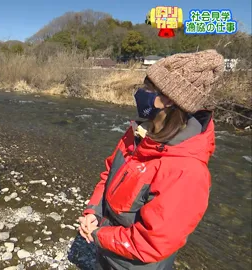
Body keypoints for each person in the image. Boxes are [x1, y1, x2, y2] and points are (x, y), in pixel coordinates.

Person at [78, 49, 224, 270]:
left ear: (168, 100)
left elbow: (151, 243)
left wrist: (98, 234)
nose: (140, 92)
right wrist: (93, 212)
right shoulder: (139, 132)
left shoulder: (187, 172)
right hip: (108, 248)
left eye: (148, 89)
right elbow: (110, 174)